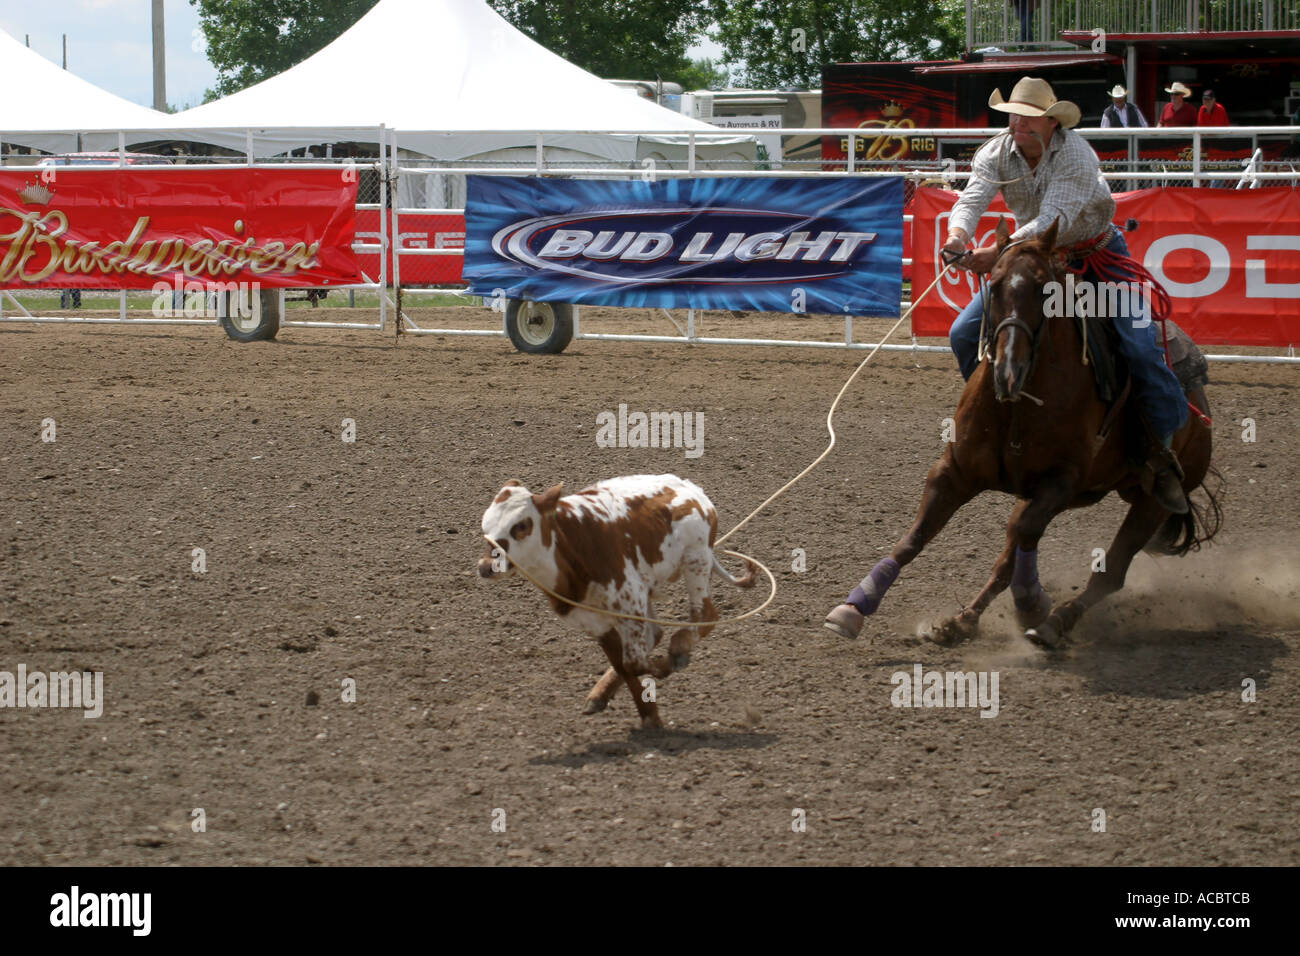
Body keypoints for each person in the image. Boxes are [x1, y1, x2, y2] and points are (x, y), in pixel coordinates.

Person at [941, 76, 1189, 513]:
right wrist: (958, 235)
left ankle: (1160, 452)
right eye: (1014, 115)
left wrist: (997, 250)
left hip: (1094, 258)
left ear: (1053, 122)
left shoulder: (1076, 154)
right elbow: (971, 197)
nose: (1019, 124)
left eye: (1030, 117)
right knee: (963, 333)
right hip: (1032, 264)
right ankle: (992, 417)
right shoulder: (996, 151)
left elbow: (1053, 217)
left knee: (1139, 343)